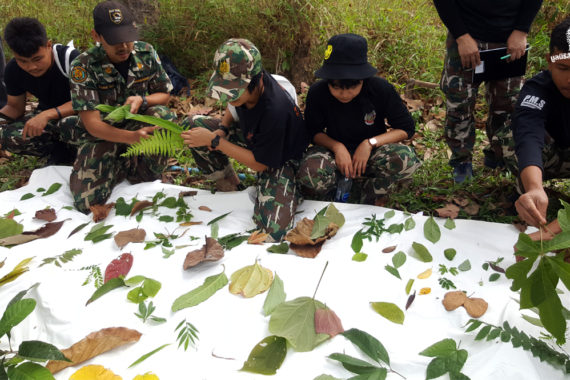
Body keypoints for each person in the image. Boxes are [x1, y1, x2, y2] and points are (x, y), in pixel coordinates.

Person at [181, 38, 309, 242]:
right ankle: (230, 186)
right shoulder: (248, 84)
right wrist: (222, 129)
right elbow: (232, 107)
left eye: (234, 91)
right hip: (254, 138)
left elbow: (260, 164)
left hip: (280, 160)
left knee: (273, 231)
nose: (229, 97)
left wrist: (216, 142)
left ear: (257, 81)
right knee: (195, 125)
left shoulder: (275, 110)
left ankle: (292, 189)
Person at [69, 0, 175, 213]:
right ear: (96, 36)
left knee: (164, 117)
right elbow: (92, 124)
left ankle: (145, 171)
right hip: (104, 133)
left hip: (139, 123)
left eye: (128, 37)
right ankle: (119, 162)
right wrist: (131, 139)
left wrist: (143, 100)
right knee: (87, 203)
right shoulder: (83, 66)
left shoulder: (146, 52)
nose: (124, 46)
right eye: (115, 40)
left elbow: (164, 94)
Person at [298, 33, 421, 204]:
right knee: (310, 173)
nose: (344, 94)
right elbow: (313, 132)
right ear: (328, 81)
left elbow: (406, 129)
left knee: (404, 159)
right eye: (336, 87)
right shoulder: (317, 92)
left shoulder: (380, 89)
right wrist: (337, 147)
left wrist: (369, 144)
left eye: (352, 87)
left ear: (363, 79)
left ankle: (369, 191)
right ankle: (334, 192)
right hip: (333, 154)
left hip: (372, 153)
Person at [433, 0, 543, 183]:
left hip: (510, 39)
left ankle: (499, 155)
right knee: (459, 103)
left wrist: (521, 30)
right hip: (466, 34)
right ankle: (461, 161)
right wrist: (461, 36)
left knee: (508, 105)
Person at [512, 17, 570, 241]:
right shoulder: (537, 89)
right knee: (508, 140)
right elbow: (529, 134)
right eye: (563, 68)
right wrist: (535, 187)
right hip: (554, 153)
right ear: (549, 61)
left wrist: (546, 235)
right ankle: (530, 193)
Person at [0, 17, 79, 164]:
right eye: (23, 61)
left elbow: (89, 101)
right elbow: (14, 107)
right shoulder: (13, 70)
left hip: (77, 116)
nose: (31, 67)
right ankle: (58, 152)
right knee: (7, 136)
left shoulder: (71, 60)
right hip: (48, 121)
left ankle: (77, 152)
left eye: (37, 59)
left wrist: (47, 114)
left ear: (48, 45)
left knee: (70, 124)